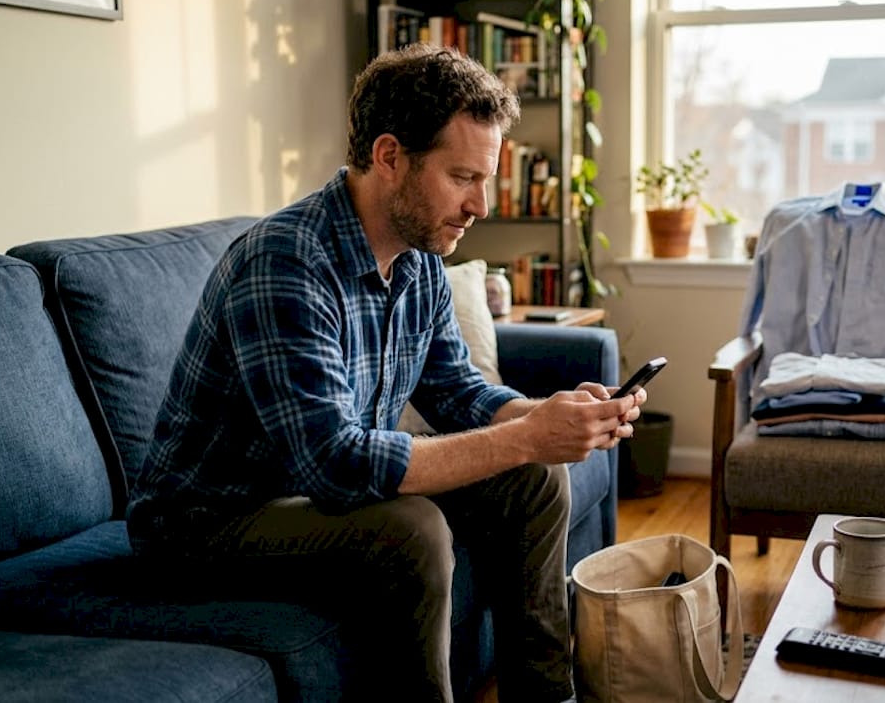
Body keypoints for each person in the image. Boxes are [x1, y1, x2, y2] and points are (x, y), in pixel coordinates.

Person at [125, 44, 644, 702]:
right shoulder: (285, 263)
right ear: (390, 156)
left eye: (485, 179)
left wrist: (548, 418)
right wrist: (525, 435)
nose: (481, 205)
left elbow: (458, 392)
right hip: (206, 523)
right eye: (463, 177)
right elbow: (335, 464)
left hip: (306, 493)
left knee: (536, 476)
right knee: (413, 530)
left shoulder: (420, 257)